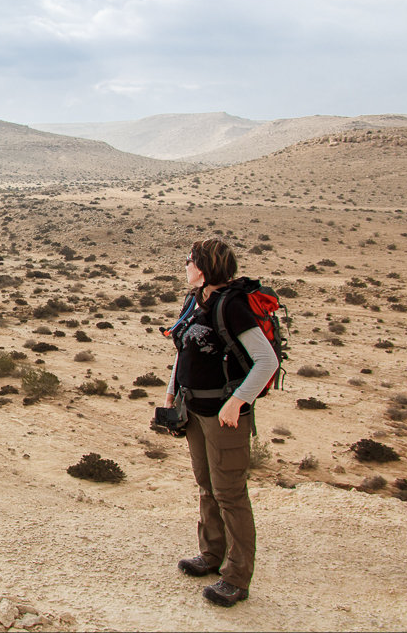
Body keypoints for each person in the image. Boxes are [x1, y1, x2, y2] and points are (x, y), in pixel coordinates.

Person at [162, 237, 278, 607]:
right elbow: (185, 351)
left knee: (230, 493)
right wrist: (171, 389)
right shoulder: (194, 301)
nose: (185, 265)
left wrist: (237, 402)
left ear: (205, 267)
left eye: (189, 260)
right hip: (193, 407)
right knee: (206, 484)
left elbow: (266, 361)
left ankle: (237, 577)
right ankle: (211, 555)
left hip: (224, 415)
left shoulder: (232, 306)